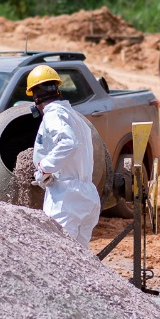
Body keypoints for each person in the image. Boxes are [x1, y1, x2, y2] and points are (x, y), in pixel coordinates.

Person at [27, 64, 100, 246]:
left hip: (66, 198)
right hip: (87, 195)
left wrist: (44, 168)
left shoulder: (53, 114)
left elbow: (68, 143)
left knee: (56, 253)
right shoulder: (74, 116)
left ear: (36, 97)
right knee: (80, 257)